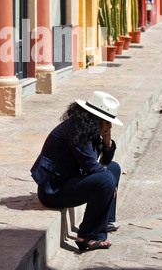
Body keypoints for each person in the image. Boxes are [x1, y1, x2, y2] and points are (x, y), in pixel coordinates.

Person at [30, 91, 123, 253]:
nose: (109, 126)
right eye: (107, 122)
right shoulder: (75, 132)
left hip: (70, 180)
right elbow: (91, 167)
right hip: (54, 191)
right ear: (96, 120)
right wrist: (110, 182)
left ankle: (105, 221)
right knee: (106, 179)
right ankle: (87, 235)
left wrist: (107, 141)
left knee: (113, 168)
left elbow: (106, 162)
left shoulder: (88, 129)